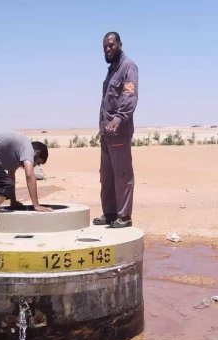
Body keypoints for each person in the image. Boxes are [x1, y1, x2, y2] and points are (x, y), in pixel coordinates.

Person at [93, 31, 139, 228]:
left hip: (119, 131)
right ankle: (110, 213)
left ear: (120, 44)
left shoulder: (128, 67)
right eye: (105, 46)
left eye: (111, 45)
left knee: (122, 175)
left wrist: (120, 118)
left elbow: (130, 95)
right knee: (107, 175)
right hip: (106, 132)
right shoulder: (111, 69)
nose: (108, 49)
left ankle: (124, 216)